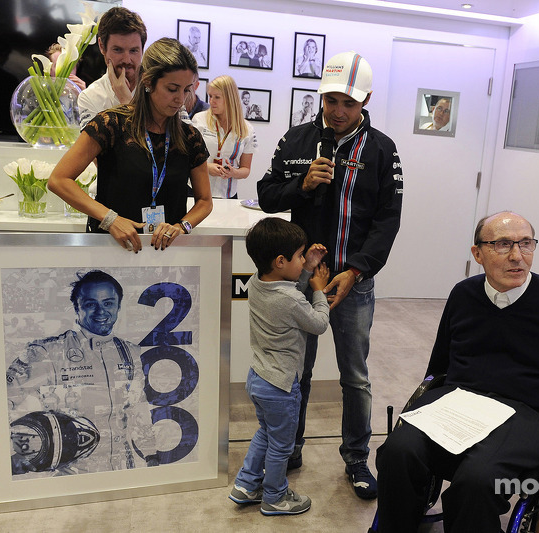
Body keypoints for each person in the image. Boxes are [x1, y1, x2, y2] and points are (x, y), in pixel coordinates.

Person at [375, 211, 539, 533]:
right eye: (503, 244)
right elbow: (439, 365)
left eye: (526, 243)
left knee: (478, 479)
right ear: (478, 253)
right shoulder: (464, 294)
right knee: (397, 452)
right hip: (459, 403)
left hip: (527, 415)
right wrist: (425, 411)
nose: (517, 256)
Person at [257, 51, 403, 500]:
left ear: (366, 101)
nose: (338, 111)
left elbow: (388, 219)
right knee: (294, 368)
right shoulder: (298, 141)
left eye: (349, 103)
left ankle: (357, 459)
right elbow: (265, 196)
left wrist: (357, 270)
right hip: (300, 281)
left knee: (354, 375)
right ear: (321, 96)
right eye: (331, 100)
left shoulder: (382, 149)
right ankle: (291, 446)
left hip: (352, 282)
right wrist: (300, 186)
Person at [48, 37, 213, 253]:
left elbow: (204, 201)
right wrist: (110, 219)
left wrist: (182, 227)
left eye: (186, 90)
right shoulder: (111, 124)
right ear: (148, 82)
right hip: (111, 247)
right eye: (172, 89)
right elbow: (59, 180)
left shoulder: (189, 137)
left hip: (165, 253)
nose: (180, 99)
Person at [6, 270, 159, 474]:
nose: (100, 311)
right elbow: (1, 402)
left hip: (124, 469)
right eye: (90, 304)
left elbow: (138, 409)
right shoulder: (47, 352)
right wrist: (15, 456)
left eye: (108, 303)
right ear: (77, 308)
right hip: (71, 477)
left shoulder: (131, 353)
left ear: (118, 306)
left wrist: (151, 456)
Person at [229, 217, 330, 516]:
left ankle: (246, 485)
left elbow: (287, 286)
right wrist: (319, 289)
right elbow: (319, 324)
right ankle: (274, 496)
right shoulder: (292, 299)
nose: (304, 260)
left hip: (258, 378)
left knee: (266, 433)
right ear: (281, 260)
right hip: (281, 387)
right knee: (282, 447)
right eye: (300, 256)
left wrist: (306, 267)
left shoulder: (256, 283)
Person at [77, 7, 147, 130]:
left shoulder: (160, 87)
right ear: (102, 46)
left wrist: (126, 101)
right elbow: (94, 149)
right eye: (118, 50)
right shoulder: (90, 98)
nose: (127, 59)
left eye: (134, 51)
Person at [192, 75, 257, 199]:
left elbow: (246, 169)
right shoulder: (199, 120)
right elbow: (187, 158)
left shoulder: (247, 129)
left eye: (217, 97)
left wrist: (234, 172)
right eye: (210, 96)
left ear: (229, 98)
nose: (211, 101)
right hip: (197, 194)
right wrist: (206, 167)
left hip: (228, 196)